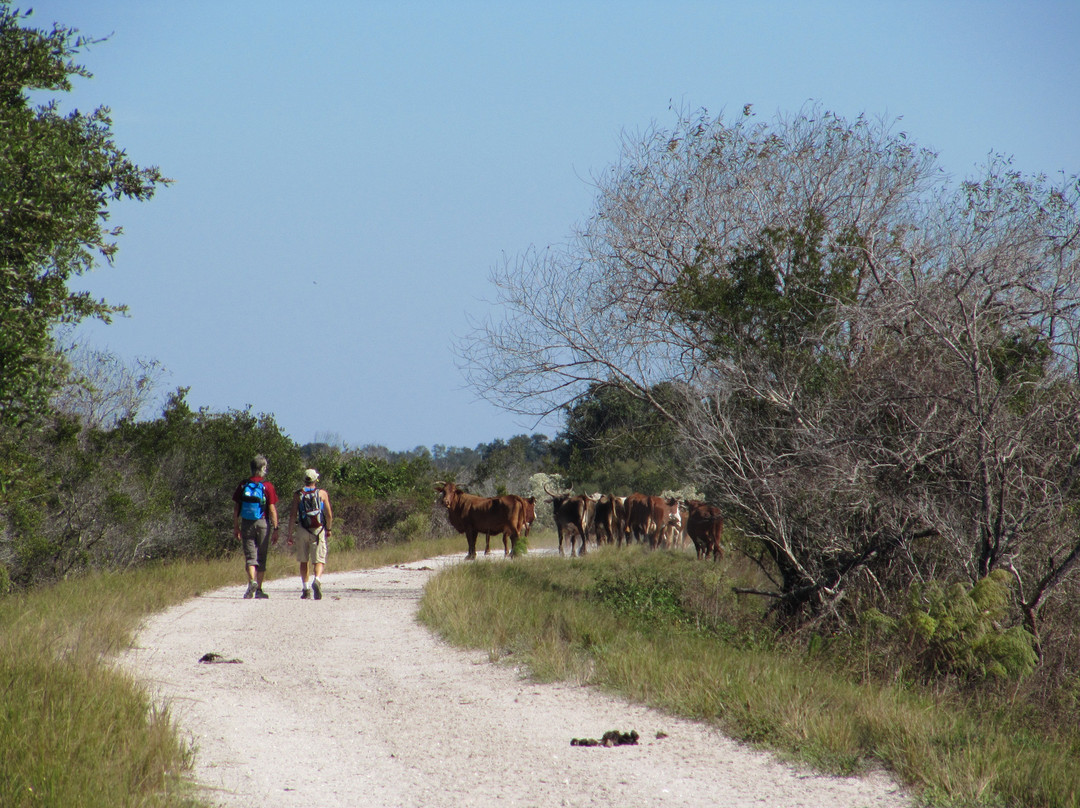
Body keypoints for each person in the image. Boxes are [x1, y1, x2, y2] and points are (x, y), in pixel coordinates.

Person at [232, 454, 279, 599]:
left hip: (247, 522)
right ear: (263, 468)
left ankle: (252, 581)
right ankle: (258, 588)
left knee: (250, 557)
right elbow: (271, 509)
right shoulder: (267, 486)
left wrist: (236, 527)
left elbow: (236, 508)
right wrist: (276, 528)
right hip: (263, 523)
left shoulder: (243, 484)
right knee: (262, 557)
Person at [286, 468, 333, 600]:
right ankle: (317, 580)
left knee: (303, 560)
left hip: (302, 529)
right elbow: (329, 515)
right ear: (315, 480)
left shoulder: (298, 494)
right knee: (318, 559)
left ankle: (306, 589)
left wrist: (290, 534)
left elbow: (293, 515)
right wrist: (328, 529)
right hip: (317, 530)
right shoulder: (322, 494)